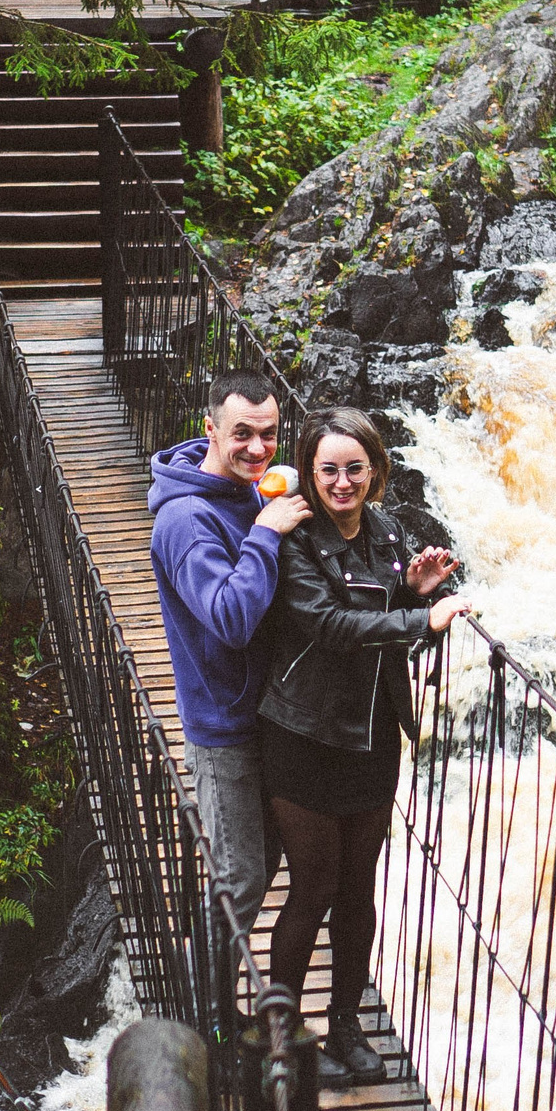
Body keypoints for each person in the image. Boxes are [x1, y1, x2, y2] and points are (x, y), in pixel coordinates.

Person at [257, 407, 474, 1082]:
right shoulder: (297, 538)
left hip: (373, 733)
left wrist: (417, 597)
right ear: (311, 473)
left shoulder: (386, 533)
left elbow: (393, 628)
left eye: (355, 468)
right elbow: (327, 623)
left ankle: (344, 1026)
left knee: (358, 890)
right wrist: (418, 613)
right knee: (314, 883)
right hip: (305, 733)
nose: (342, 481)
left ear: (376, 471)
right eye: (329, 469)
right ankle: (283, 1031)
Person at [148, 369, 311, 941]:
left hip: (267, 712)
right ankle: (202, 1016)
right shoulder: (185, 521)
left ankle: (213, 1006)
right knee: (240, 878)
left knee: (262, 865)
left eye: (269, 434)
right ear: (210, 429)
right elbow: (231, 619)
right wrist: (266, 531)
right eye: (242, 434)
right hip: (224, 724)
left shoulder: (249, 486)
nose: (258, 448)